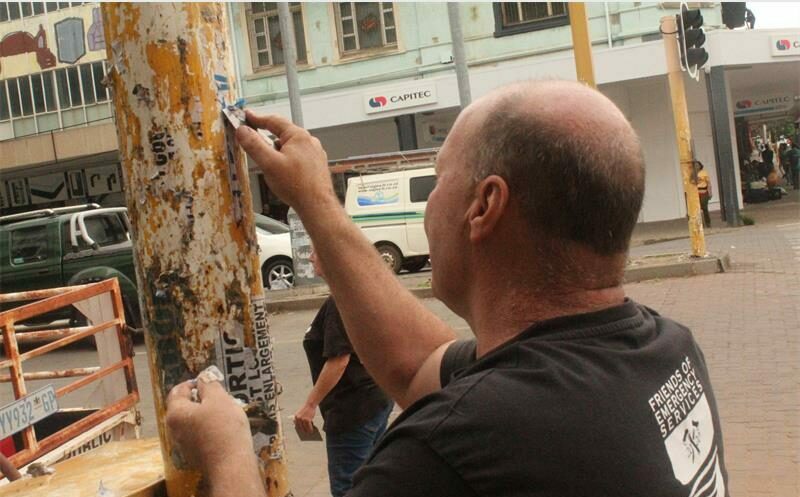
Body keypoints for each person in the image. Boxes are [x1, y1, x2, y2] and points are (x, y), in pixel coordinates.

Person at [166, 81, 729, 497]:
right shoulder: (666, 350)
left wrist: (228, 454)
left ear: (484, 206)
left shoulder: (456, 447)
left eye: (438, 179)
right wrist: (315, 203)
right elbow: (417, 368)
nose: (429, 202)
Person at [295, 250, 393, 497]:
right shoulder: (357, 291)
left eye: (316, 251)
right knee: (368, 482)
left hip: (353, 411)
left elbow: (338, 359)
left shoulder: (340, 300)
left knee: (347, 488)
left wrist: (309, 405)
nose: (310, 258)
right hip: (373, 401)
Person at [695, 161, 712, 228]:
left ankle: (708, 222)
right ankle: (699, 224)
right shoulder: (693, 173)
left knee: (704, 208)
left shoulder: (704, 173)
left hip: (704, 192)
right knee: (697, 209)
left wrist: (710, 192)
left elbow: (708, 183)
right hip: (696, 193)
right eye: (695, 165)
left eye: (697, 165)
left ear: (700, 165)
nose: (696, 166)